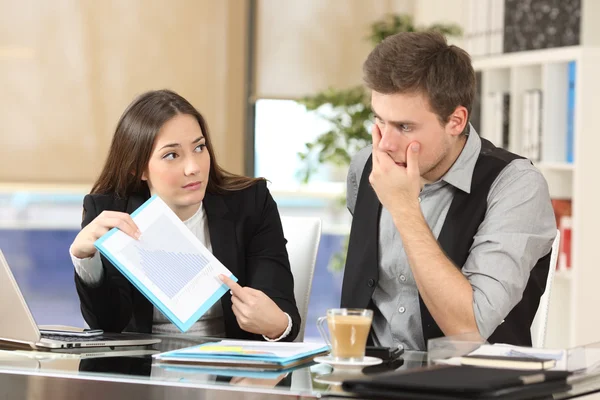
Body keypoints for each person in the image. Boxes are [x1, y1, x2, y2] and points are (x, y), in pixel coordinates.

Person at [341, 31, 556, 350]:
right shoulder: (366, 166)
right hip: (371, 383)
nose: (385, 143)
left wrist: (404, 208)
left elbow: (468, 329)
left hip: (476, 387)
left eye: (404, 127)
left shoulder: (516, 186)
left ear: (456, 121)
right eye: (380, 121)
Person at [70, 89, 299, 342]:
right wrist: (85, 259)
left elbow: (283, 312)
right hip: (142, 372)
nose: (194, 168)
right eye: (172, 155)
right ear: (138, 169)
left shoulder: (251, 203)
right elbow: (107, 325)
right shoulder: (110, 213)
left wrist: (276, 325)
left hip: (229, 370)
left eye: (199, 148)